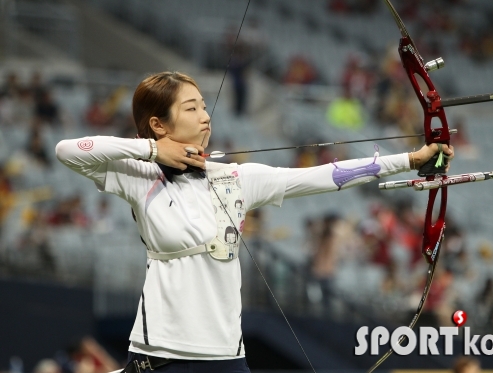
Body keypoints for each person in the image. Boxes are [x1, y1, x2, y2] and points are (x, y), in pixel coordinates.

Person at [55, 71, 454, 373]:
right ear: (159, 124)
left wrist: (410, 160)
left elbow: (326, 175)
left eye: (205, 106)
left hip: (227, 355)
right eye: (191, 109)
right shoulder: (137, 175)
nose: (205, 116)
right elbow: (68, 150)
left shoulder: (236, 178)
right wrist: (151, 149)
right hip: (159, 353)